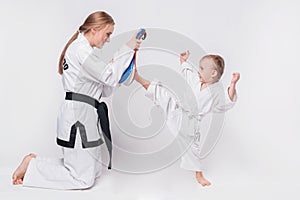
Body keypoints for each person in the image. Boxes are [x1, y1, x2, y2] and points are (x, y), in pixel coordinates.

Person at [12, 11, 142, 189]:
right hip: (78, 116)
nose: (108, 39)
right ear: (95, 29)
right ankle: (33, 167)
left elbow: (105, 88)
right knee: (83, 179)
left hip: (85, 114)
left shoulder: (84, 50)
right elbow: (109, 77)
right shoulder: (80, 50)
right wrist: (127, 48)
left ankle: (34, 162)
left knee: (94, 171)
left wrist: (120, 64)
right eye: (108, 34)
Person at [134, 50, 240, 186]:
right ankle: (137, 77)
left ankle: (199, 174)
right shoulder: (197, 81)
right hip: (178, 111)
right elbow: (188, 73)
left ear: (213, 73)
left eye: (202, 68)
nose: (198, 70)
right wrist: (183, 61)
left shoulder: (216, 92)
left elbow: (228, 101)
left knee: (192, 150)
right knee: (163, 94)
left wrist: (233, 84)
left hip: (190, 124)